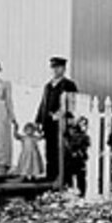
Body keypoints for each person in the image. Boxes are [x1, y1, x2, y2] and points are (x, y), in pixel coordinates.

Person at [35, 56, 78, 184]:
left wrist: (60, 114)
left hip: (61, 123)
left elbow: (71, 104)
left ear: (63, 69)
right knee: (49, 150)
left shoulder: (68, 84)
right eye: (53, 67)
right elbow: (43, 104)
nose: (55, 70)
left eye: (58, 67)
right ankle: (50, 175)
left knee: (61, 150)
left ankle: (62, 177)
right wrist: (38, 120)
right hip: (48, 123)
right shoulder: (48, 86)